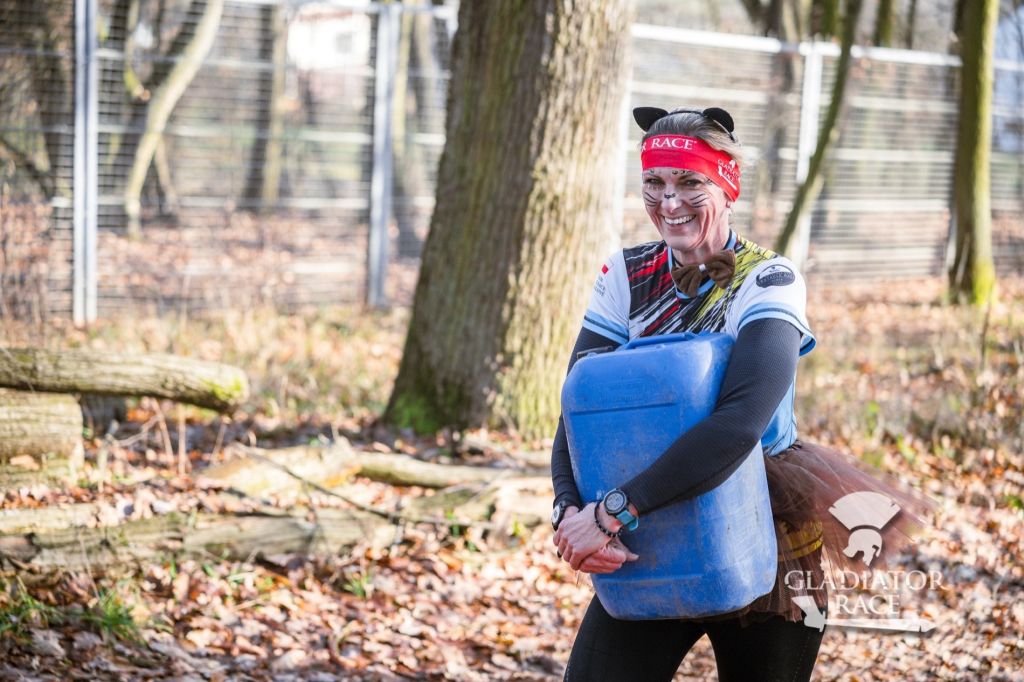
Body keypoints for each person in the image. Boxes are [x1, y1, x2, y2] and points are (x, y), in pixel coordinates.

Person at [548, 106, 935, 681]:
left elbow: (739, 423)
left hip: (765, 528)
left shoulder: (769, 279)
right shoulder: (624, 276)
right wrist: (567, 510)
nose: (669, 202)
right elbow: (577, 407)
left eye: (690, 182)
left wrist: (609, 513)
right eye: (654, 182)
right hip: (647, 529)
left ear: (727, 185)